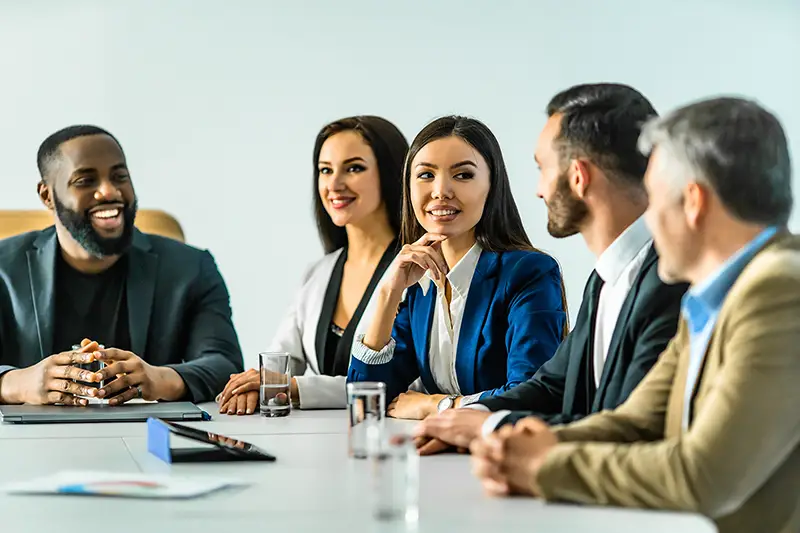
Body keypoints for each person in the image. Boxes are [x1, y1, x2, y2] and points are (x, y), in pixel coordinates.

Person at [470, 97, 800, 533]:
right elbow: (638, 419)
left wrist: (545, 465)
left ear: (693, 202)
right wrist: (515, 446)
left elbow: (704, 475)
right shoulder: (712, 296)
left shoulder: (778, 289)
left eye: (655, 199)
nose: (649, 219)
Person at [415, 84, 687, 453]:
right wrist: (461, 419)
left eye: (543, 168)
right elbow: (551, 386)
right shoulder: (607, 278)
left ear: (578, 176)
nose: (539, 190)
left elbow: (626, 428)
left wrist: (487, 425)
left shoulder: (670, 281)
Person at [0, 125, 243, 405]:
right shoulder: (4, 267)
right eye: (85, 180)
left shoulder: (191, 267)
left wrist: (158, 379)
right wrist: (17, 384)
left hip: (150, 438)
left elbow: (225, 364)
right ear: (47, 196)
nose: (109, 191)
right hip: (29, 444)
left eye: (119, 176)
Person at [347, 116, 568, 420]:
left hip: (499, 456)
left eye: (463, 175)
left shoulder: (528, 273)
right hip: (436, 456)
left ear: (492, 186)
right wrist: (388, 292)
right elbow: (364, 402)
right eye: (425, 175)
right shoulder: (419, 284)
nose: (441, 191)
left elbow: (531, 396)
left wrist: (438, 405)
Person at [217, 116, 408, 414]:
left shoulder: (415, 269)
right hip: (316, 443)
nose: (334, 184)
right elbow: (279, 361)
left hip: (387, 441)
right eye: (325, 170)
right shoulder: (318, 272)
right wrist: (255, 384)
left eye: (354, 168)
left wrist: (291, 387)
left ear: (391, 174)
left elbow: (403, 385)